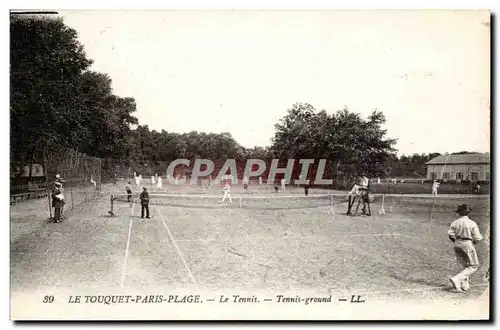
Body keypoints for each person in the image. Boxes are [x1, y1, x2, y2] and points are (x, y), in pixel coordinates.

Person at [447, 204, 483, 292]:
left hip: (457, 243)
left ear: (459, 213)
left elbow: (450, 234)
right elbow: (477, 238)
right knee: (474, 265)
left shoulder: (455, 222)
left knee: (462, 264)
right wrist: (471, 243)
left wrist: (456, 242)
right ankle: (456, 279)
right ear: (468, 213)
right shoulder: (472, 223)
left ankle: (464, 285)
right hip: (467, 243)